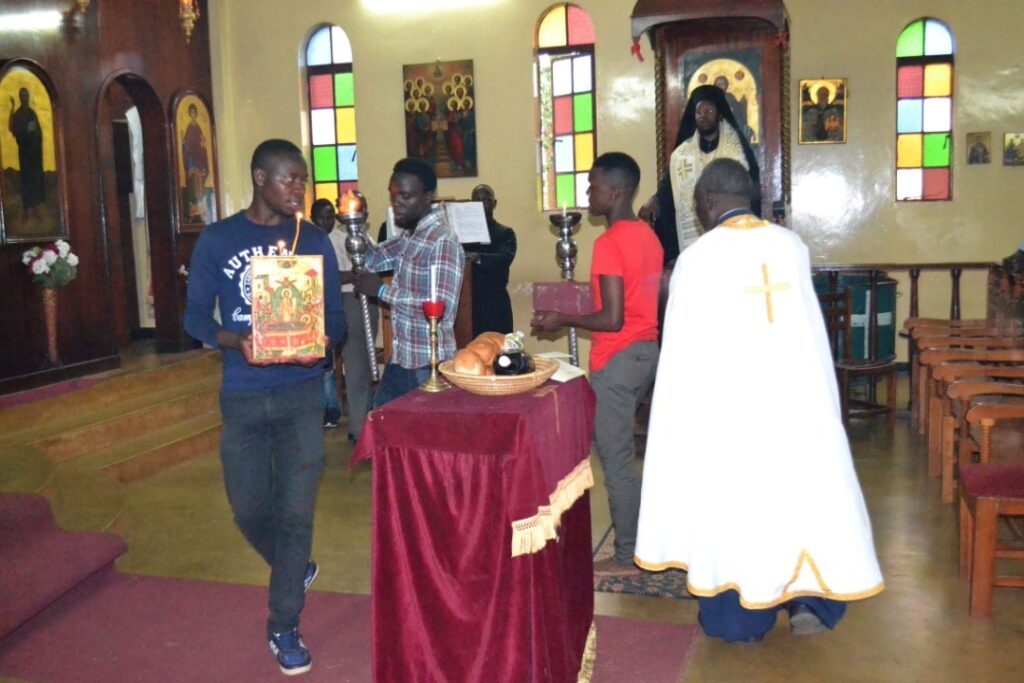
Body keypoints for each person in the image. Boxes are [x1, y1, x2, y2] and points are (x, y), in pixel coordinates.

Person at [634, 159, 883, 642]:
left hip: (733, 418)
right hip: (798, 407)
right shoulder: (791, 245)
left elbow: (683, 356)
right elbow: (808, 333)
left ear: (705, 202)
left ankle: (742, 620)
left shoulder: (698, 259)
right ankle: (809, 603)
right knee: (801, 498)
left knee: (739, 507)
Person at [184, 139, 345, 675]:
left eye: (302, 179)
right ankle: (294, 566)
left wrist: (317, 343)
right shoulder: (217, 239)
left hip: (301, 395)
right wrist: (238, 342)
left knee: (296, 514)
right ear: (259, 178)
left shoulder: (316, 240)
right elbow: (194, 321)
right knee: (248, 507)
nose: (298, 188)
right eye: (288, 179)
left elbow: (338, 322)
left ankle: (283, 626)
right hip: (245, 396)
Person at [532, 152, 663, 577]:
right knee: (620, 451)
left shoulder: (609, 243)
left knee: (617, 459)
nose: (588, 193)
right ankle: (643, 539)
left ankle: (628, 556)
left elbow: (611, 318)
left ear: (616, 191)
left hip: (619, 359)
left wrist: (560, 318)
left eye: (593, 186)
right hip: (646, 353)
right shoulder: (649, 236)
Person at [354, 158, 464, 407]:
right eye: (393, 196)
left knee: (422, 440)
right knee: (382, 432)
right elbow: (373, 259)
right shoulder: (409, 236)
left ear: (427, 197)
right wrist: (356, 225)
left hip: (429, 364)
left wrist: (382, 291)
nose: (396, 204)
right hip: (401, 360)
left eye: (406, 197)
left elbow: (441, 308)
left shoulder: (441, 240)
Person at [641, 84, 760, 265]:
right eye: (698, 112)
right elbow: (669, 190)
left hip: (731, 242)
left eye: (709, 110)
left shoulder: (737, 151)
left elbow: (752, 190)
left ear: (719, 113)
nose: (703, 116)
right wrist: (655, 199)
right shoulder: (681, 155)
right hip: (693, 242)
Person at [311, 197, 380, 441]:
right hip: (339, 304)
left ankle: (365, 424)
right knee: (348, 366)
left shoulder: (347, 237)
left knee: (364, 364)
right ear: (312, 218)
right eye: (321, 217)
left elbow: (373, 262)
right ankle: (353, 424)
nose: (326, 221)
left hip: (361, 301)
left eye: (330, 217)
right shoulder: (313, 241)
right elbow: (322, 276)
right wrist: (351, 275)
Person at [463, 184, 517, 336]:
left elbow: (504, 257)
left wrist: (478, 257)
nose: (481, 204)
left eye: (486, 200)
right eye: (477, 200)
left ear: (494, 203)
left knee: (498, 352)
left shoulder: (505, 233)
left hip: (494, 302)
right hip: (467, 304)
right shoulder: (461, 234)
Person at [8, 87, 45, 221]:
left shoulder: (32, 113)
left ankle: (34, 208)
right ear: (21, 98)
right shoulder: (18, 114)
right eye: (23, 96)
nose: (26, 98)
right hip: (24, 153)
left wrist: (34, 134)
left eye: (27, 96)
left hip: (34, 153)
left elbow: (39, 132)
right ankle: (26, 210)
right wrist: (26, 131)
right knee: (26, 180)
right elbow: (13, 130)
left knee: (34, 180)